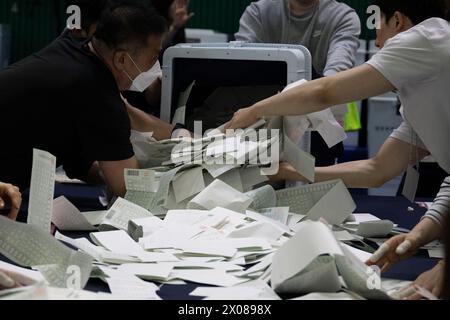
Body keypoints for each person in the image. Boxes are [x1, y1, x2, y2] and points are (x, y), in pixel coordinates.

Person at [227, 0, 449, 298]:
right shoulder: (422, 98)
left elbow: (325, 92)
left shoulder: (428, 36)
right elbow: (376, 170)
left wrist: (254, 111)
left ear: (398, 21)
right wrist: (290, 171)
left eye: (378, 27)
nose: (378, 41)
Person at [0, 2, 168, 197]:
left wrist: (107, 170)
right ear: (121, 59)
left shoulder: (72, 49)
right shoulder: (97, 92)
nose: (156, 67)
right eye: (154, 57)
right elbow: (129, 188)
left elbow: (75, 155)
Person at [235, 0, 361, 166]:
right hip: (261, 125)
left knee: (315, 184)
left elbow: (336, 73)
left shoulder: (342, 16)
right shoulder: (258, 12)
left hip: (318, 124)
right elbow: (242, 64)